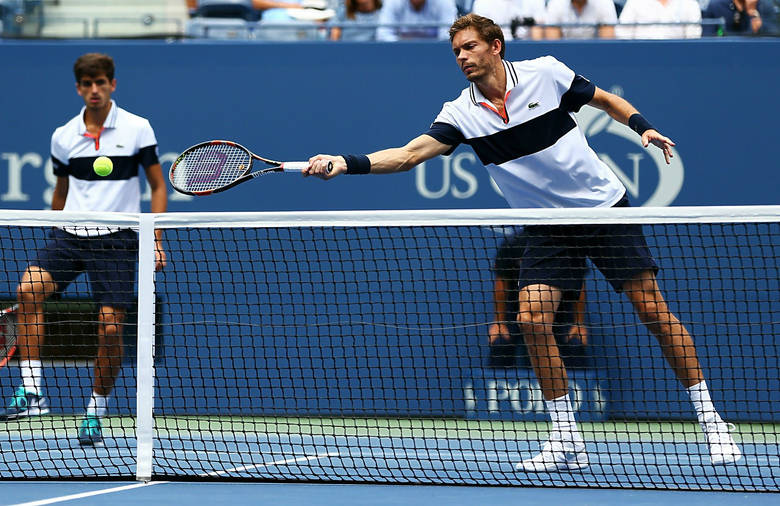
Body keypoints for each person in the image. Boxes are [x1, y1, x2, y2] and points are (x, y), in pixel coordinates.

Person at [303, 14, 741, 472]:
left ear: (495, 46)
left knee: (651, 308)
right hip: (547, 226)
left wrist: (643, 127)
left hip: (602, 208)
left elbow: (607, 100)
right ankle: (566, 438)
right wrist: (345, 162)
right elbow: (409, 155)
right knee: (532, 319)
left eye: (469, 47)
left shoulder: (546, 74)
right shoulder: (460, 114)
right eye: (456, 52)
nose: (462, 57)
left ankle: (711, 421)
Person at [0, 53, 168, 448]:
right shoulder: (63, 135)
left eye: (101, 82)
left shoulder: (138, 129)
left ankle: (95, 411)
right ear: (78, 88)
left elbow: (157, 186)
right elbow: (61, 191)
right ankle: (34, 392)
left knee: (110, 329)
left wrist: (155, 238)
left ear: (113, 85)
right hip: (70, 235)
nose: (94, 90)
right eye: (87, 84)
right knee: (28, 291)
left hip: (118, 239)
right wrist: (55, 230)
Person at [489, 228, 589, 369]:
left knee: (575, 344)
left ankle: (576, 390)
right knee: (500, 343)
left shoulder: (567, 243)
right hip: (516, 311)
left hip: (561, 313)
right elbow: (501, 283)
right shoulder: (513, 243)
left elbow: (579, 284)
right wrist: (499, 323)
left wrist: (578, 323)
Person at [375, 0, 458, 41]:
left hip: (435, 58)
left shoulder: (444, 2)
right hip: (399, 57)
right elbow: (382, 35)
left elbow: (448, 37)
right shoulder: (393, 2)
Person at [615, 0, 702, 39]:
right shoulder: (634, 2)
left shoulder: (690, 4)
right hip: (640, 60)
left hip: (678, 61)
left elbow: (693, 39)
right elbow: (623, 37)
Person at [471, 0, 546, 40]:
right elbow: (484, 35)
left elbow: (538, 33)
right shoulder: (482, 2)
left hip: (527, 46)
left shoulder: (535, 1)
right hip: (495, 49)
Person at [542, 0, 618, 39]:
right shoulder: (555, 3)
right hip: (563, 57)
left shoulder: (604, 2)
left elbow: (607, 41)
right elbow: (553, 43)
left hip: (597, 56)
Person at [702, 0, 779, 36]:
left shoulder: (764, 5)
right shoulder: (716, 6)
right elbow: (707, 39)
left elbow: (773, 40)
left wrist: (752, 13)